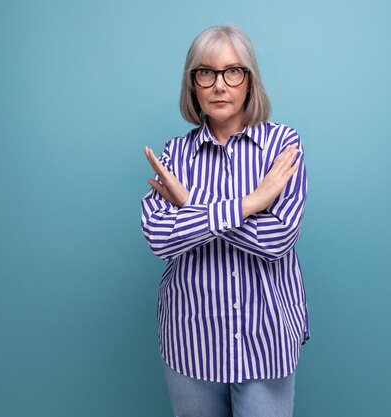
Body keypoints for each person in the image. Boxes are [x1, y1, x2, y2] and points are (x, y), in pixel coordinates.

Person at [140, 24, 309, 417]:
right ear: (193, 84)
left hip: (265, 338)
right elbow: (159, 237)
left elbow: (277, 238)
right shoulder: (175, 154)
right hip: (191, 340)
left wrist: (189, 203)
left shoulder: (283, 145)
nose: (220, 85)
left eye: (233, 71)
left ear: (249, 81)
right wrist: (252, 201)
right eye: (206, 73)